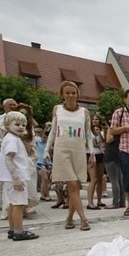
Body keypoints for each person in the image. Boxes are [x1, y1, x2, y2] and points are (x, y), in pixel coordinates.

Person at [44, 81, 94, 231]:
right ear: (62, 94)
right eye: (67, 93)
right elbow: (53, 131)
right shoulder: (57, 109)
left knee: (76, 187)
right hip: (62, 150)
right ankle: (83, 218)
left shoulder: (84, 112)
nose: (70, 95)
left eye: (73, 92)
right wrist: (47, 149)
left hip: (78, 151)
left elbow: (88, 134)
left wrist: (91, 152)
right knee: (72, 185)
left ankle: (69, 218)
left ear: (77, 94)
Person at [0, 111, 39, 241]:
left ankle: (12, 229)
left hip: (11, 178)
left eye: (23, 124)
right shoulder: (12, 140)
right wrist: (16, 179)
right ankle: (18, 231)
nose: (21, 127)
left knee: (12, 204)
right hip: (16, 178)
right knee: (18, 204)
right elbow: (9, 159)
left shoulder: (11, 138)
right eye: (17, 124)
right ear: (8, 125)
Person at [86, 114, 107, 210]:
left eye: (96, 119)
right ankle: (90, 202)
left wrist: (98, 134)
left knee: (100, 179)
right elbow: (86, 143)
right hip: (90, 154)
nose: (94, 121)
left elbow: (103, 142)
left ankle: (99, 200)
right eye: (93, 119)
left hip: (100, 154)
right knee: (93, 179)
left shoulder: (101, 131)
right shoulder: (88, 130)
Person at [36, 124, 52, 201]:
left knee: (45, 180)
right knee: (45, 178)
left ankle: (43, 194)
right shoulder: (38, 141)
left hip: (47, 162)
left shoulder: (48, 143)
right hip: (40, 162)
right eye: (44, 136)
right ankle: (48, 195)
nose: (45, 138)